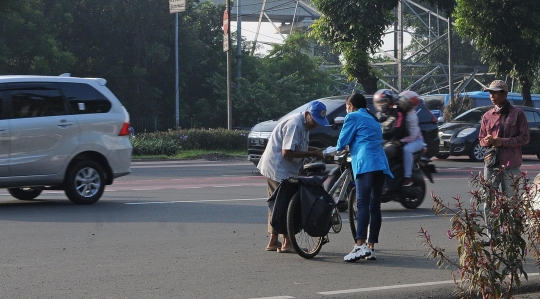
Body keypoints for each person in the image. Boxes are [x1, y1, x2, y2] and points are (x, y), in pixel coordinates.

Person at [257, 100, 328, 253]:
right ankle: (287, 242)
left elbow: (298, 146)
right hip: (278, 168)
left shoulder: (305, 125)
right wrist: (312, 153)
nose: (316, 125)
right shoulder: (295, 124)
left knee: (275, 204)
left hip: (281, 167)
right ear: (307, 114)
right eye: (315, 121)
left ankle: (273, 241)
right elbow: (287, 152)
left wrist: (318, 150)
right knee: (285, 204)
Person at [335, 93, 393, 262]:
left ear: (351, 105)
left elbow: (341, 143)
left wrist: (343, 147)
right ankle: (371, 247)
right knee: (374, 207)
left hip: (365, 164)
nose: (346, 110)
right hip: (381, 164)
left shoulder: (353, 116)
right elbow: (365, 138)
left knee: (362, 204)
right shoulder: (373, 119)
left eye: (346, 107)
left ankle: (359, 245)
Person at [479, 80, 529, 244]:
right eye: (490, 92)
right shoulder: (487, 116)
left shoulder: (517, 114)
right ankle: (492, 237)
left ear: (505, 94)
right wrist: (487, 141)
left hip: (511, 163)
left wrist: (503, 141)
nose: (492, 96)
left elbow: (525, 137)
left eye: (495, 92)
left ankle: (512, 236)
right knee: (488, 200)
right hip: (491, 164)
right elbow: (481, 139)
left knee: (512, 201)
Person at [396, 91, 424, 187]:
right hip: (405, 139)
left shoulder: (411, 117)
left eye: (404, 102)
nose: (401, 103)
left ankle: (408, 177)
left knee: (406, 150)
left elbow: (412, 136)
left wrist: (400, 141)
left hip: (416, 141)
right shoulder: (400, 112)